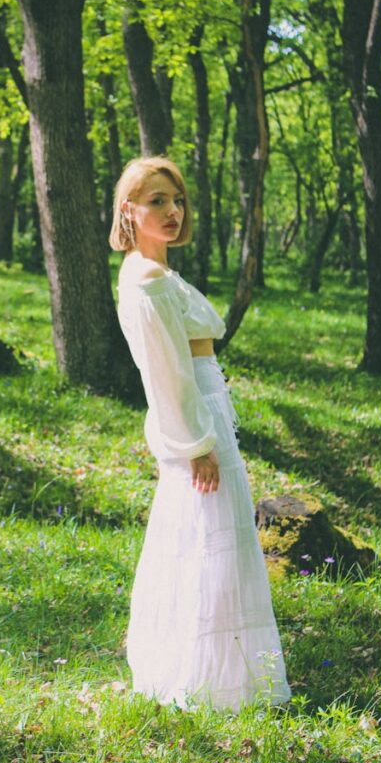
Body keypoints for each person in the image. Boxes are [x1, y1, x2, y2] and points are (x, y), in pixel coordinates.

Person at [110, 156, 290, 712]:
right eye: (156, 201)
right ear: (129, 211)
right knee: (209, 543)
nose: (171, 211)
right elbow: (166, 374)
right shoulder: (147, 279)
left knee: (204, 541)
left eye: (177, 200)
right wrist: (197, 446)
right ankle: (208, 684)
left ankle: (215, 677)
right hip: (198, 424)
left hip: (208, 411)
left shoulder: (158, 272)